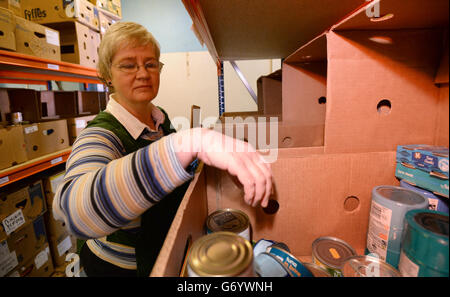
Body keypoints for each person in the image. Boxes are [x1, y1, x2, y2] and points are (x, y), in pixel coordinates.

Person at [52, 21, 272, 277]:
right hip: (123, 269)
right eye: (128, 65)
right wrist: (188, 142)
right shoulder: (102, 134)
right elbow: (73, 211)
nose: (143, 73)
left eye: (150, 64)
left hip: (164, 248)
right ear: (107, 74)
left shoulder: (159, 118)